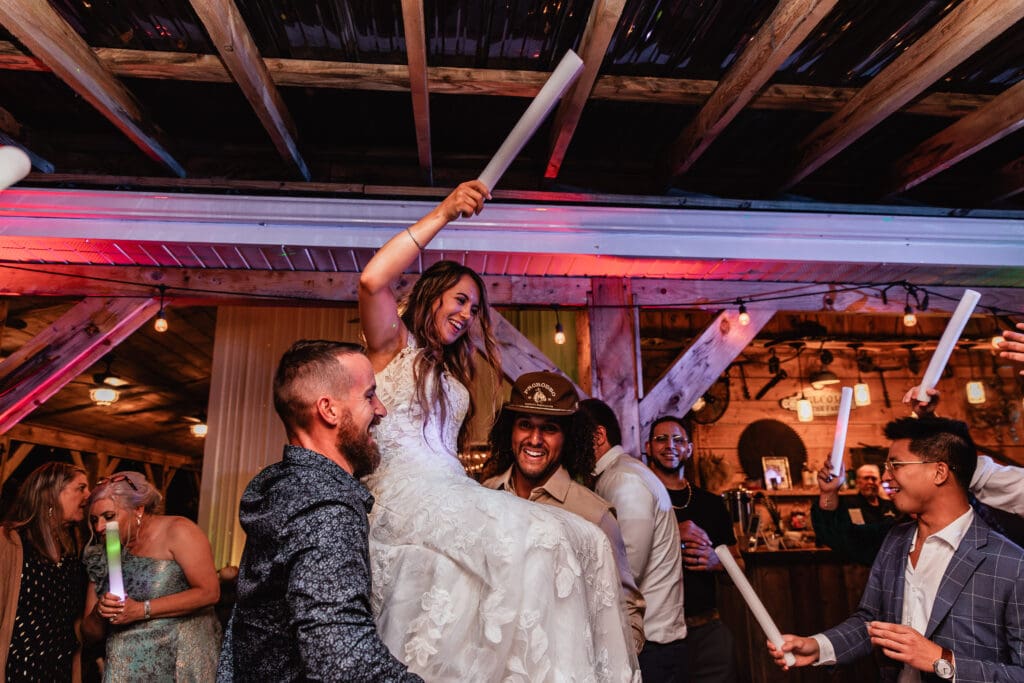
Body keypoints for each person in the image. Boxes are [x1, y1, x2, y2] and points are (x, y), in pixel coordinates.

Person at [358, 181, 639, 681]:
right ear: (431, 293)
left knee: (585, 541)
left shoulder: (448, 374)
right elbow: (372, 280)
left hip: (450, 489)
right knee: (543, 541)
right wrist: (444, 212)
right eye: (460, 300)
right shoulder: (391, 347)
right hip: (407, 494)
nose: (467, 315)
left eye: (473, 310)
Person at [217, 340, 419, 682]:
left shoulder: (287, 487)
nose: (382, 409)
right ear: (329, 410)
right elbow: (341, 658)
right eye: (369, 396)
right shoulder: (324, 508)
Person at [769, 416, 1024, 681]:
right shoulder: (896, 541)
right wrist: (819, 646)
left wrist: (942, 661)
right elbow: (871, 622)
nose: (886, 476)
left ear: (939, 472)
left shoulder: (1011, 564)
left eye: (896, 465)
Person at [481, 371, 645, 654]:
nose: (534, 439)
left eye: (549, 428)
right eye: (524, 425)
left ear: (567, 436)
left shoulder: (595, 516)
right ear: (510, 430)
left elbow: (628, 616)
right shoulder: (484, 497)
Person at [578, 398, 688, 683]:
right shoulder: (618, 475)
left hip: (651, 645)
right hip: (645, 643)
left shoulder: (625, 480)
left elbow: (624, 570)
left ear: (598, 436)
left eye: (571, 433)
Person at [82, 471, 221, 682]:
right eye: (94, 520)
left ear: (138, 509)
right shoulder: (100, 555)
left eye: (109, 517)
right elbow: (89, 634)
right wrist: (99, 613)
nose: (99, 527)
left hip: (177, 663)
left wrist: (140, 610)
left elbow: (210, 592)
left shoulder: (179, 531)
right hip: (125, 668)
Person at [643, 414, 740, 683]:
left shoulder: (711, 504)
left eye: (678, 439)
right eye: (660, 439)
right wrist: (672, 533)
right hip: (655, 633)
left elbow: (739, 565)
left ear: (689, 448)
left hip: (707, 628)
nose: (669, 445)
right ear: (648, 447)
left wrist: (717, 561)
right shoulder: (638, 500)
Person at [1, 462, 90, 682]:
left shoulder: (73, 553)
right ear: (51, 494)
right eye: (81, 488)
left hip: (60, 671)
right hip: (18, 670)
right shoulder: (8, 542)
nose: (89, 495)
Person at [812, 463, 899, 566]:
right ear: (858, 482)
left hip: (891, 563)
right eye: (866, 478)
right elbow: (827, 514)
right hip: (858, 567)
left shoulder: (891, 505)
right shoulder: (847, 504)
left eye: (874, 479)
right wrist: (828, 493)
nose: (870, 482)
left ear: (879, 482)